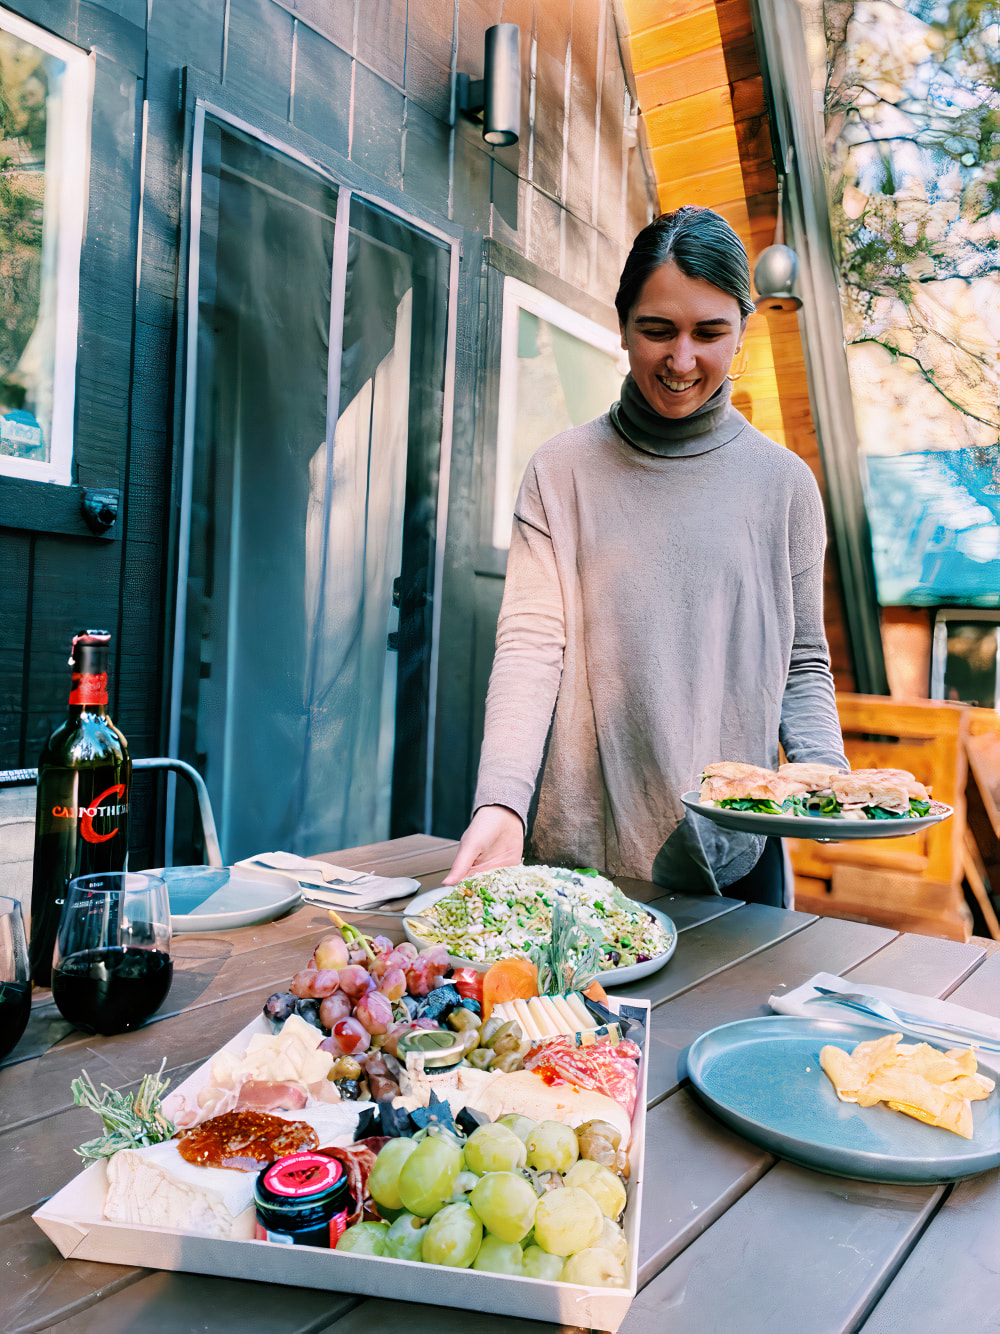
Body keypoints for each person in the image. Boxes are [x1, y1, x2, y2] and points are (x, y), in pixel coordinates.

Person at [444, 206, 848, 905]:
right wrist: (502, 803)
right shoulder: (561, 471)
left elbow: (802, 658)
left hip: (737, 864)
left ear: (742, 330)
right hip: (579, 862)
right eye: (657, 330)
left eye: (710, 333)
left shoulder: (785, 486)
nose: (682, 359)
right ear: (623, 327)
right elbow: (530, 647)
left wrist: (827, 777)